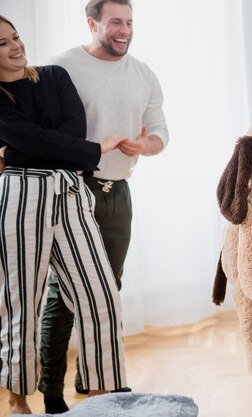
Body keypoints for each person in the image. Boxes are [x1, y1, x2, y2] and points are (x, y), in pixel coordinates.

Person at [38, 0, 169, 413]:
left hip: (120, 194)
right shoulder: (60, 68)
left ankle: (93, 383)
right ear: (92, 22)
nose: (124, 30)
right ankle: (51, 391)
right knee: (64, 296)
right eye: (116, 22)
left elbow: (161, 132)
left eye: (129, 22)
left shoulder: (144, 74)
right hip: (72, 191)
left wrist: (144, 145)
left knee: (107, 292)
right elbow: (40, 132)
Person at [0, 15, 127, 415]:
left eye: (15, 36)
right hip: (21, 196)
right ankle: (17, 397)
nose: (16, 46)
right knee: (20, 300)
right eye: (2, 43)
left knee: (101, 293)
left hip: (70, 191)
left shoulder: (54, 77)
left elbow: (73, 137)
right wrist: (48, 148)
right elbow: (36, 139)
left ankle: (104, 393)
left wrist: (19, 151)